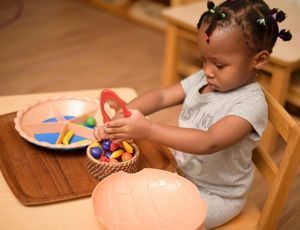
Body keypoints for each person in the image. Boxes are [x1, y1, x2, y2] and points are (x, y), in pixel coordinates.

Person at [95, 0, 292, 228]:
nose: (207, 71)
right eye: (204, 60)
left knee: (155, 220)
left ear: (259, 60)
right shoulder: (204, 79)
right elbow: (160, 97)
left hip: (216, 196)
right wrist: (126, 112)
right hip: (178, 174)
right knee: (126, 195)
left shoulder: (249, 105)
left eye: (219, 65)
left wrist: (147, 129)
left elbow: (209, 142)